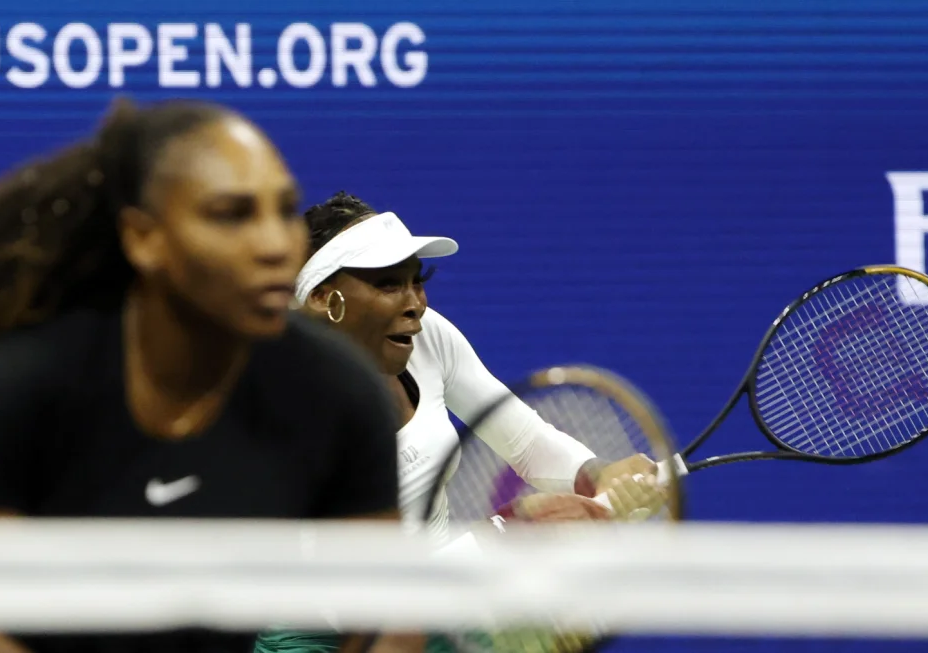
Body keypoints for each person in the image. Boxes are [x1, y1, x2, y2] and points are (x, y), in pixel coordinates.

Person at [0, 99, 407, 653]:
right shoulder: (20, 376)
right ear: (144, 238)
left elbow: (390, 617)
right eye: (231, 214)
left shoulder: (336, 388)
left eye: (283, 211)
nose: (276, 245)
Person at [252, 192, 666, 653]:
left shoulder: (428, 338)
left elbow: (526, 440)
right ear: (324, 299)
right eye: (390, 284)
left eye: (417, 281)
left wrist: (597, 477)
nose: (416, 305)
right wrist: (504, 538)